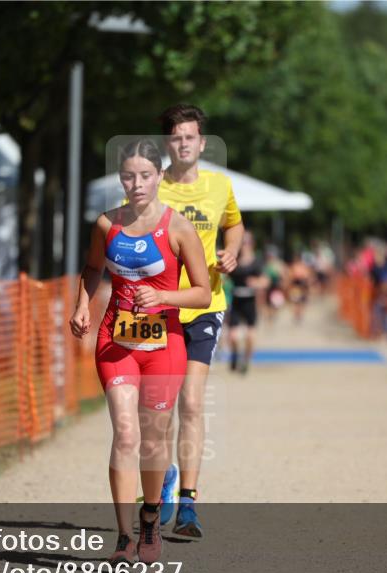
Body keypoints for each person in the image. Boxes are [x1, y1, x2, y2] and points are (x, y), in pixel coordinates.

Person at [70, 139, 210, 564]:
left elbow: (202, 294)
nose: (137, 184)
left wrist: (164, 299)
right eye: (129, 176)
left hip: (164, 346)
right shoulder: (106, 225)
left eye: (145, 175)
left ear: (159, 177)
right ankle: (124, 537)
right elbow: (94, 268)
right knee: (126, 434)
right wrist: (82, 305)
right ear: (121, 178)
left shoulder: (179, 228)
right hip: (116, 342)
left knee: (153, 440)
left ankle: (150, 517)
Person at [155, 104, 244, 537]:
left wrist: (233, 251)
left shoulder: (219, 185)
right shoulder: (150, 189)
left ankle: (188, 502)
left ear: (202, 143)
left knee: (191, 401)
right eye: (176, 137)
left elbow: (235, 225)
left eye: (190, 136)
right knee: (161, 406)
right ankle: (167, 476)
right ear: (167, 144)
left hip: (205, 305)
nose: (184, 143)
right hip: (160, 308)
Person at [227, 231, 266, 374]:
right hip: (236, 300)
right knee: (233, 336)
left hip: (250, 301)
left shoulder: (257, 262)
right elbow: (224, 276)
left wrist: (256, 283)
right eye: (242, 242)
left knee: (250, 336)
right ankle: (235, 355)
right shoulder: (233, 260)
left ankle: (246, 361)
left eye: (247, 242)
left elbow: (265, 280)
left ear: (252, 244)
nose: (245, 245)